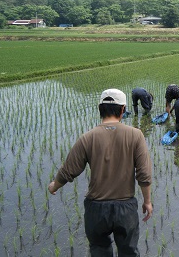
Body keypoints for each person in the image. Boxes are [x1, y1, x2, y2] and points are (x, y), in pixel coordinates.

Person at [48, 88, 153, 257]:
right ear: (123, 109)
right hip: (125, 208)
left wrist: (54, 186)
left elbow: (69, 170)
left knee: (99, 251)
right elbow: (144, 174)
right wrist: (147, 201)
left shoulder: (87, 137)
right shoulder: (136, 135)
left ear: (100, 109)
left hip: (96, 209)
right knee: (129, 252)